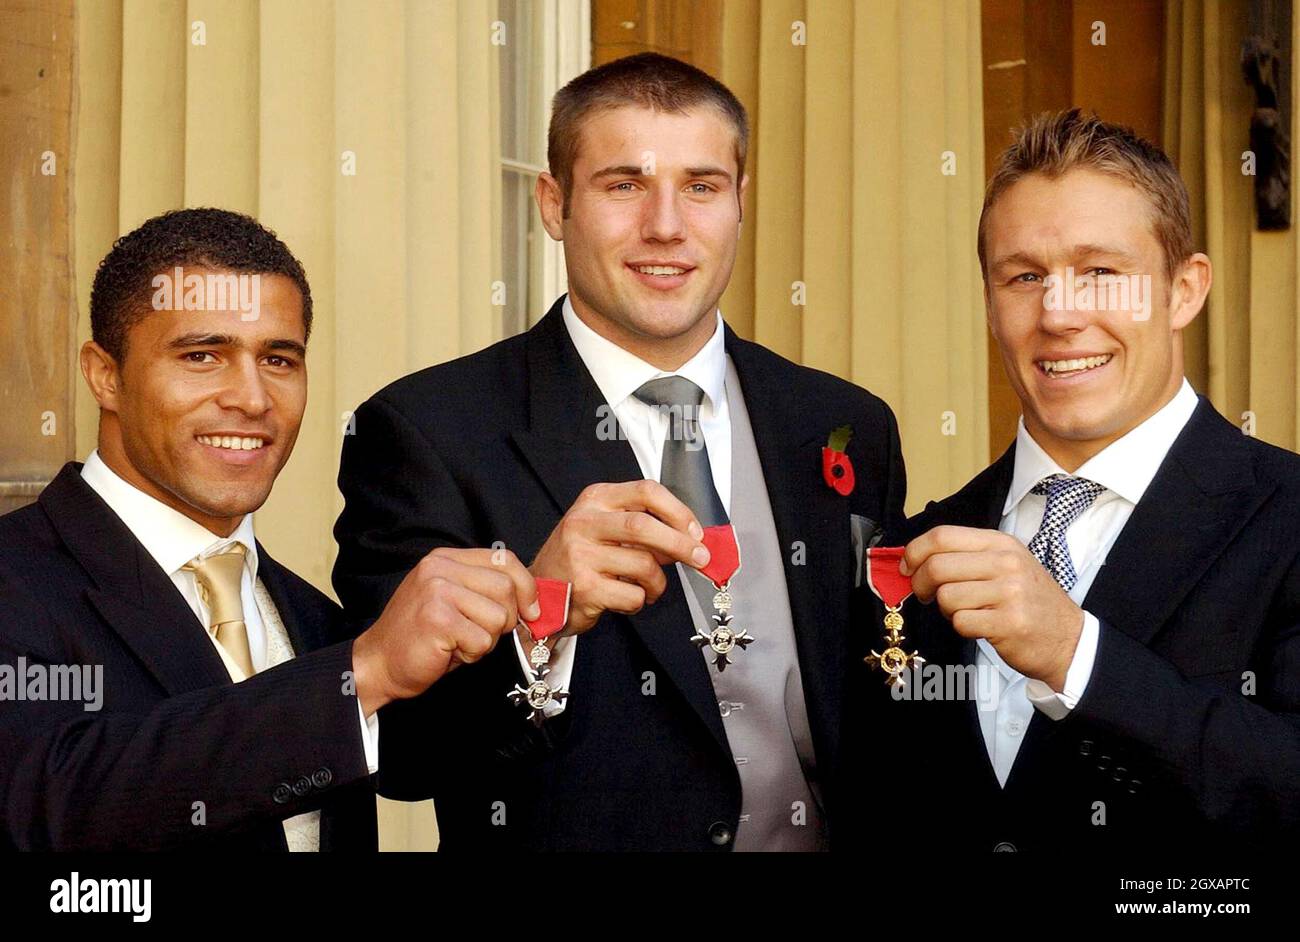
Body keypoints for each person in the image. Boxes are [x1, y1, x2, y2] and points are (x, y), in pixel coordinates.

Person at [333, 53, 906, 851]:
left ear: (741, 203)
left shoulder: (846, 424)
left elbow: (883, 697)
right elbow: (401, 752)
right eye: (624, 184)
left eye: (701, 186)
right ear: (554, 203)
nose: (666, 225)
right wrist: (541, 618)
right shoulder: (425, 432)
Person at [0, 208, 535, 851]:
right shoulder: (17, 579)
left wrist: (544, 613)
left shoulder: (312, 619)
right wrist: (359, 672)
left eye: (279, 360)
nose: (252, 399)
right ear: (105, 374)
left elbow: (432, 759)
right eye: (202, 355)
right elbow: (52, 806)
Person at [881, 109, 1300, 853]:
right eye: (1025, 276)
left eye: (1102, 273)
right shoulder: (916, 549)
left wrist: (1078, 655)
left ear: (1184, 290)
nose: (1060, 314)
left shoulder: (1286, 517)